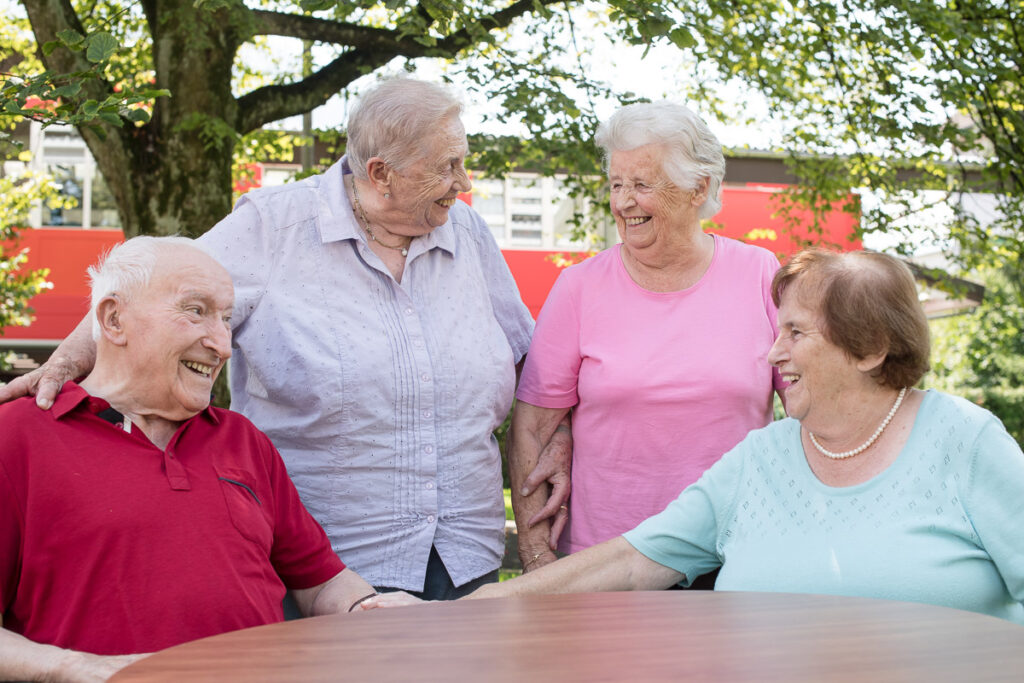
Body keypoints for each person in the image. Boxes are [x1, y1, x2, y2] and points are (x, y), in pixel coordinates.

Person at [0, 77, 549, 601]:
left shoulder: (468, 233)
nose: (465, 182)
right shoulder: (274, 226)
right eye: (448, 166)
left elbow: (526, 360)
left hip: (465, 558)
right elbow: (153, 290)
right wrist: (68, 360)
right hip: (323, 567)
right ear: (381, 173)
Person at [436, 249, 1024, 625]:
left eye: (796, 333)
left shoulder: (965, 441)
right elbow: (635, 560)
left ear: (869, 349)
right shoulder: (761, 458)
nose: (774, 352)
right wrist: (479, 608)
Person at [0, 237, 415, 683]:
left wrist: (368, 609)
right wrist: (79, 668)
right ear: (114, 319)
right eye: (196, 311)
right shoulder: (17, 436)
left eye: (227, 319)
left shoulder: (243, 440)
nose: (223, 344)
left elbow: (321, 581)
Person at [508, 101, 784, 578]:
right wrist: (537, 561)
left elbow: (808, 408)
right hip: (608, 561)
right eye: (617, 184)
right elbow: (532, 429)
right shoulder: (579, 288)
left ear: (698, 188)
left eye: (641, 185)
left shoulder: (760, 273)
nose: (622, 202)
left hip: (738, 552)